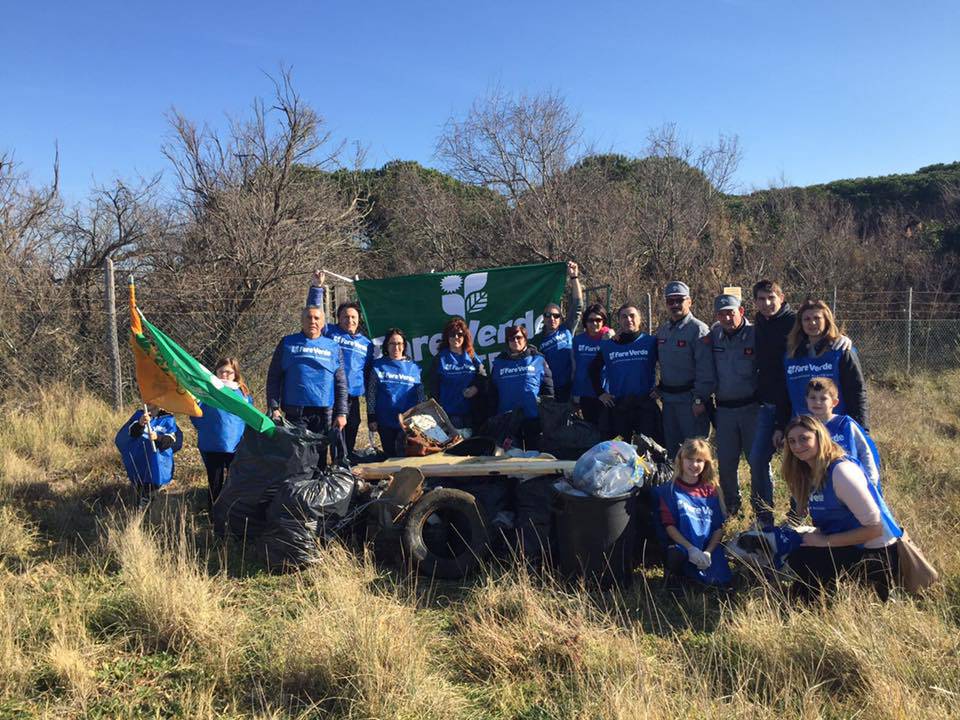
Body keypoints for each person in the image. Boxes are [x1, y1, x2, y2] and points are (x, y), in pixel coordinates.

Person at [749, 280, 853, 527]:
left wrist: (842, 338)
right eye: (761, 299)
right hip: (772, 405)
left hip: (805, 406)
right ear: (754, 302)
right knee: (759, 459)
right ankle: (764, 517)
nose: (766, 303)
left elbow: (820, 331)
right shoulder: (758, 325)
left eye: (770, 298)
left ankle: (800, 514)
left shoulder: (794, 322)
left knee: (809, 460)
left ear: (781, 297)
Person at [781, 414, 900, 601]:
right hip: (849, 544)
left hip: (874, 552)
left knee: (805, 559)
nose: (797, 446)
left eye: (804, 439)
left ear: (820, 437)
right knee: (797, 553)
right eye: (792, 441)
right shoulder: (810, 473)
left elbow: (875, 529)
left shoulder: (841, 472)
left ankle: (868, 592)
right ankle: (809, 599)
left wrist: (824, 541)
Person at [265, 300, 348, 467]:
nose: (313, 321)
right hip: (296, 412)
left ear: (323, 323)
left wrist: (341, 413)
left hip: (324, 412)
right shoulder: (288, 343)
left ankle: (316, 490)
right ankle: (298, 490)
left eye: (317, 318)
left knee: (320, 458)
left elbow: (340, 382)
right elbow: (274, 376)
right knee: (298, 458)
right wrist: (273, 407)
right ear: (302, 321)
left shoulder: (332, 347)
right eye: (309, 318)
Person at [306, 271, 374, 456]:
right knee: (327, 436)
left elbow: (368, 375)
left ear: (359, 320)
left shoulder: (366, 344)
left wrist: (371, 409)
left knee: (349, 438)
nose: (349, 320)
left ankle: (343, 468)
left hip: (353, 400)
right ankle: (323, 468)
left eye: (353, 317)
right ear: (338, 319)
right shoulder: (329, 332)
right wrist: (317, 287)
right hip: (330, 395)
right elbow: (314, 312)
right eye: (345, 316)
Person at [657, 438, 732, 589]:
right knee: (675, 555)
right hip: (683, 546)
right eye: (689, 459)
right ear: (680, 460)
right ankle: (674, 575)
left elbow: (718, 528)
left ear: (706, 464)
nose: (694, 465)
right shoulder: (669, 490)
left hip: (706, 547)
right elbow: (669, 526)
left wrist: (708, 552)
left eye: (699, 460)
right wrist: (691, 548)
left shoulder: (711, 490)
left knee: (722, 582)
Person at [709, 294, 759, 518]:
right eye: (722, 314)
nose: (727, 317)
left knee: (757, 461)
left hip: (751, 409)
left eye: (731, 312)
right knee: (727, 464)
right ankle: (732, 507)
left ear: (742, 311)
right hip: (724, 410)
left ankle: (761, 508)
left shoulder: (756, 335)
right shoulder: (714, 336)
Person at [784, 299, 868, 429]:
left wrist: (862, 429)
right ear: (800, 323)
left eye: (817, 318)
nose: (812, 323)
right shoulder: (791, 355)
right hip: (803, 428)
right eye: (806, 319)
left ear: (826, 320)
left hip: (836, 427)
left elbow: (857, 392)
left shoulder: (841, 351)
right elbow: (785, 394)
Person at [655, 281, 715, 457]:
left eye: (679, 300)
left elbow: (706, 371)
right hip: (669, 402)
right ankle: (678, 485)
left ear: (689, 301)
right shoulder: (664, 330)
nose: (674, 305)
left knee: (695, 453)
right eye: (670, 301)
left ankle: (703, 486)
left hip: (691, 403)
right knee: (674, 454)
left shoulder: (698, 330)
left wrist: (699, 399)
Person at [588, 302, 662, 444]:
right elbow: (593, 369)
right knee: (620, 453)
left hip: (645, 406)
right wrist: (600, 393)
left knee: (649, 451)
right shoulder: (609, 346)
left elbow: (669, 365)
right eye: (624, 317)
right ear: (619, 321)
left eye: (632, 316)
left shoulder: (651, 342)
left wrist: (661, 387)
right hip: (619, 408)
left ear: (640, 319)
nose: (628, 320)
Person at [190, 357, 254, 515]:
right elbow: (195, 414)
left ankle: (234, 513)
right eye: (221, 372)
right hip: (212, 444)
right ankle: (215, 514)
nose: (225, 375)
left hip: (236, 445)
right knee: (215, 481)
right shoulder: (207, 391)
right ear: (216, 372)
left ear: (235, 374)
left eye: (229, 372)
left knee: (235, 481)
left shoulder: (243, 393)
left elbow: (249, 417)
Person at [805, 377, 880, 489]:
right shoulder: (805, 427)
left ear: (834, 402)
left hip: (851, 483)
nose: (817, 402)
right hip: (821, 489)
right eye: (813, 397)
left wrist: (870, 482)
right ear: (806, 400)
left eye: (823, 398)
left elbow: (865, 452)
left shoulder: (846, 425)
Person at [488, 324, 554, 451]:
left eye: (519, 337)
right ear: (507, 342)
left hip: (533, 417)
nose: (516, 341)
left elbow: (548, 387)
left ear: (525, 339)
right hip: (507, 419)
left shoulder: (538, 359)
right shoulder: (499, 362)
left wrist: (547, 412)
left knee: (534, 455)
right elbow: (493, 392)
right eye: (512, 339)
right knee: (510, 457)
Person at [367, 328, 425, 456]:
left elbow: (420, 395)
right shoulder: (377, 366)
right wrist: (371, 417)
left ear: (404, 346)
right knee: (390, 456)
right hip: (385, 421)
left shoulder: (415, 368)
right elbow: (371, 393)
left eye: (399, 343)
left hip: (408, 423)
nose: (396, 347)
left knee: (407, 457)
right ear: (386, 346)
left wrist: (421, 417)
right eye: (392, 343)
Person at [115, 404, 183, 509]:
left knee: (153, 484)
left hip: (158, 461)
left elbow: (172, 439)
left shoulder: (168, 418)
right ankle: (140, 503)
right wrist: (140, 423)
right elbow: (131, 433)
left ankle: (150, 503)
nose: (148, 402)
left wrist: (158, 438)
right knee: (140, 483)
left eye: (152, 400)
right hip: (140, 457)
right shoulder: (140, 415)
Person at [534, 261, 584, 402]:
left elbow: (578, 305)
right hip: (552, 389)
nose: (552, 319)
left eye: (556, 315)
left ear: (561, 318)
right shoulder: (538, 340)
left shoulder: (566, 329)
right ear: (543, 318)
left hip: (572, 385)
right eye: (548, 315)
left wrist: (574, 278)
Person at [430, 317, 486, 430]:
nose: (456, 337)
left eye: (460, 334)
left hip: (472, 414)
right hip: (450, 416)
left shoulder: (472, 356)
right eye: (452, 334)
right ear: (447, 337)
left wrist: (475, 388)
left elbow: (483, 377)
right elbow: (434, 388)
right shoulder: (440, 358)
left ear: (465, 337)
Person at [570, 303, 615, 424]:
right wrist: (575, 393)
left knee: (607, 432)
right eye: (590, 320)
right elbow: (575, 368)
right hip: (584, 394)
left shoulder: (609, 338)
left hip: (604, 394)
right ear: (585, 321)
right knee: (589, 431)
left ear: (603, 320)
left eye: (598, 320)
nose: (594, 323)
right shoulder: (577, 340)